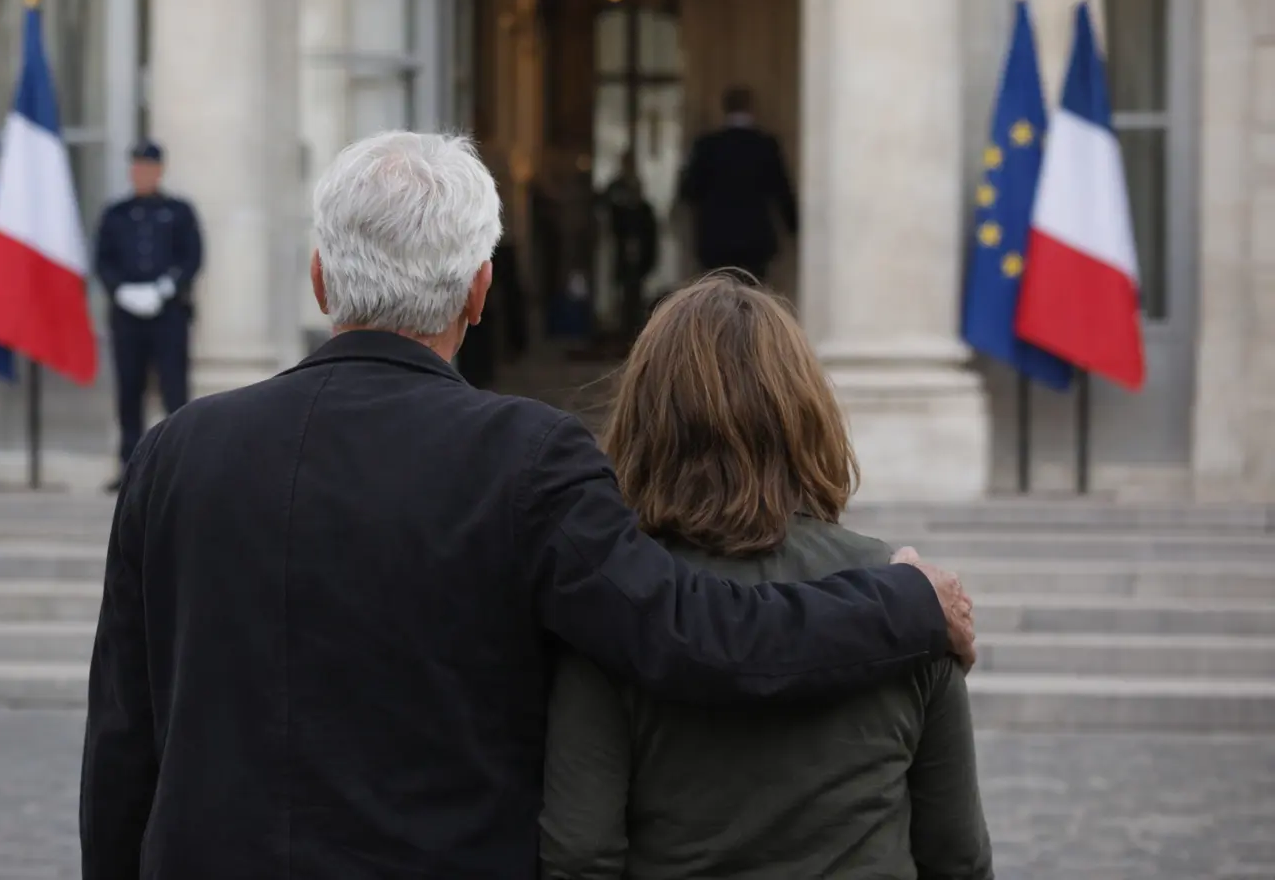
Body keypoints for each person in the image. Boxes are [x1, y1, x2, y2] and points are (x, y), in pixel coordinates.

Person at [80, 132, 976, 879]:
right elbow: (694, 635)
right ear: (480, 288)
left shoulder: (174, 454)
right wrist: (905, 601)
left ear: (320, 279)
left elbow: (122, 747)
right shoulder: (526, 458)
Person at [540, 273, 993, 880]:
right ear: (807, 415)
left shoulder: (614, 613)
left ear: (646, 423)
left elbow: (579, 854)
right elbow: (957, 856)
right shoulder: (913, 600)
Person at [94, 141, 202, 493]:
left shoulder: (179, 211)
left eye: (147, 167)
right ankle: (129, 465)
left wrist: (167, 287)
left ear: (159, 170)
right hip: (127, 316)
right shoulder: (116, 214)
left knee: (173, 389)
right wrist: (121, 289)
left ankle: (178, 466)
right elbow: (103, 260)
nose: (141, 173)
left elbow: (192, 257)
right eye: (136, 167)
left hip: (168, 313)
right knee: (129, 389)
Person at [679, 86, 798, 279]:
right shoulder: (765, 145)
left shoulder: (707, 145)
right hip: (755, 239)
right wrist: (796, 228)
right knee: (753, 298)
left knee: (717, 297)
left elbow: (690, 191)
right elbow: (782, 191)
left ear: (724, 108)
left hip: (715, 239)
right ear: (751, 108)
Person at [600, 149, 659, 344]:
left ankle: (632, 331)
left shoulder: (642, 206)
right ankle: (623, 331)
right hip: (622, 246)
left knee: (634, 291)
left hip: (638, 249)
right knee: (624, 290)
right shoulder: (617, 190)